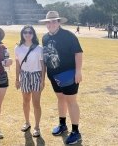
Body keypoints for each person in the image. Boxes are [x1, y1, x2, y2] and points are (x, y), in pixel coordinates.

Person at [39, 11, 83, 145]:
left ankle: (76, 131)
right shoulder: (45, 38)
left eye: (54, 21)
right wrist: (45, 75)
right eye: (48, 22)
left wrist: (78, 72)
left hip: (69, 74)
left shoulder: (68, 36)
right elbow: (46, 57)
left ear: (59, 22)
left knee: (71, 101)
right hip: (53, 75)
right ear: (46, 24)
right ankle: (62, 124)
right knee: (60, 99)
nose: (51, 24)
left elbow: (78, 53)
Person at [15, 25, 45, 137]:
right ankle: (27, 122)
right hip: (24, 75)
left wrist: (43, 80)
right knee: (25, 101)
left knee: (36, 103)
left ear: (33, 34)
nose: (27, 34)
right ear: (22, 34)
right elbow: (18, 64)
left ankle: (37, 127)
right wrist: (16, 79)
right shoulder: (18, 48)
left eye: (30, 32)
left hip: (36, 75)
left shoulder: (39, 48)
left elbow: (43, 65)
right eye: (25, 32)